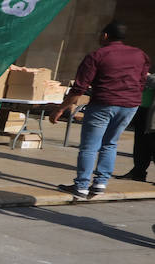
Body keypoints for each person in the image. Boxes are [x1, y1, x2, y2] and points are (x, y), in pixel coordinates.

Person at [49, 22, 151, 199]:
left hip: (103, 104)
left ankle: (81, 186)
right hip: (129, 106)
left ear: (105, 36)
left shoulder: (97, 55)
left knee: (89, 146)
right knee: (110, 143)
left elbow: (79, 88)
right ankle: (100, 184)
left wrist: (60, 109)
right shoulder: (140, 55)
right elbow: (142, 81)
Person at [117, 73, 155, 183]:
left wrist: (145, 76)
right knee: (140, 144)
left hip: (153, 115)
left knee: (153, 144)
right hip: (143, 110)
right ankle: (138, 172)